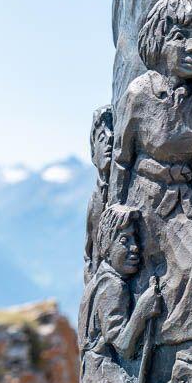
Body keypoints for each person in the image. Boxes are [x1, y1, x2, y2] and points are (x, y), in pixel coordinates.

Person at [110, 0, 192, 345]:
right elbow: (121, 158)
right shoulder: (139, 94)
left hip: (179, 200)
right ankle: (163, 342)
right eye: (180, 37)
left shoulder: (188, 97)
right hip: (147, 202)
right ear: (159, 41)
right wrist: (116, 215)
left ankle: (176, 341)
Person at [75, 205, 161, 383]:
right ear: (106, 245)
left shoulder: (100, 278)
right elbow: (123, 346)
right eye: (124, 240)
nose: (135, 248)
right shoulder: (113, 286)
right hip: (99, 367)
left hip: (89, 367)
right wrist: (142, 310)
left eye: (135, 239)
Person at [84, 105, 113, 283]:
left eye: (114, 138)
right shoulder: (94, 200)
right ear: (94, 151)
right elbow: (88, 250)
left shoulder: (126, 193)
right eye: (103, 138)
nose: (109, 142)